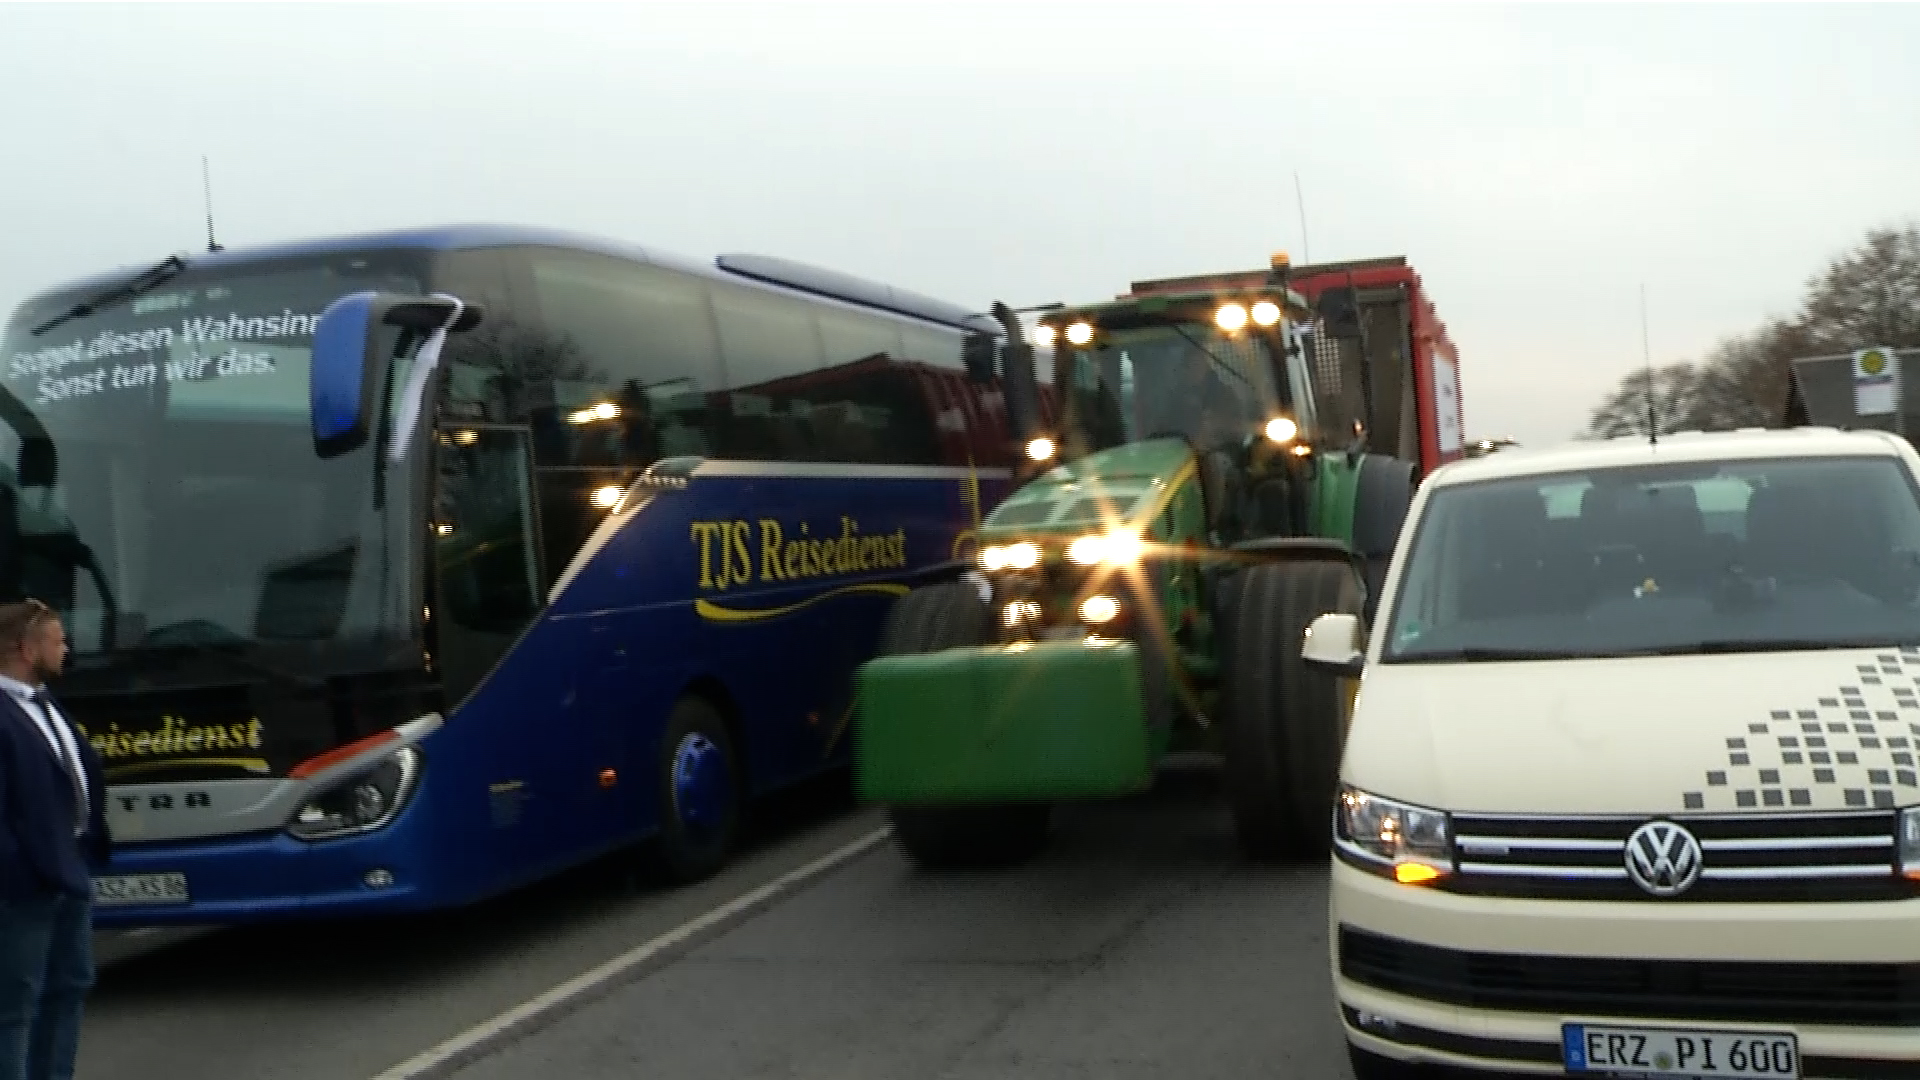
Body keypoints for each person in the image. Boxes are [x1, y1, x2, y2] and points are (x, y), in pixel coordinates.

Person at [0, 599, 109, 1080]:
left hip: (68, 871)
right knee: (13, 1006)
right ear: (26, 649)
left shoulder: (44, 702)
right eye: (58, 640)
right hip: (24, 887)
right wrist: (22, 874)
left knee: (69, 987)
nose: (67, 649)